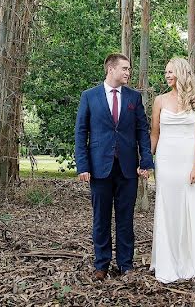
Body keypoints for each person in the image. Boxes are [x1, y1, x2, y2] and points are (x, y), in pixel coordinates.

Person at [74, 53, 153, 280]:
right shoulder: (89, 96)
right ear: (111, 70)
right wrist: (82, 165)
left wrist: (145, 161)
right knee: (101, 218)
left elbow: (142, 132)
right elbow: (81, 132)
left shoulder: (134, 98)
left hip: (128, 168)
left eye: (129, 69)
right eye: (125, 69)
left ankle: (125, 264)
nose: (128, 72)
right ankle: (101, 265)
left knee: (125, 218)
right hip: (99, 168)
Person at [149, 57, 195, 283]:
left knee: (190, 205)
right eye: (166, 72)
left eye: (171, 71)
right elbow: (154, 134)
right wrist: (146, 161)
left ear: (182, 73)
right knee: (167, 206)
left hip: (188, 160)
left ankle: (193, 259)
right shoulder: (159, 100)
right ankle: (167, 261)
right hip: (166, 160)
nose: (167, 75)